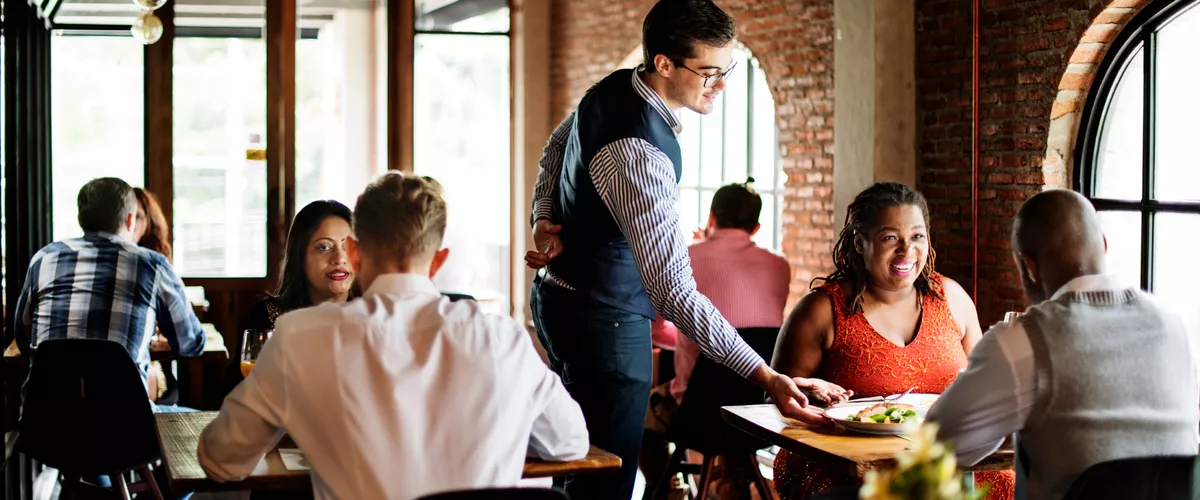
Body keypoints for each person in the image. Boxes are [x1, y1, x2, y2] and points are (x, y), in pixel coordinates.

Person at [525, 1, 848, 497]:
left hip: (559, 299)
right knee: (603, 485)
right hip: (605, 325)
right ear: (664, 64)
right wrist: (766, 375)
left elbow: (556, 146)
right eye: (710, 72)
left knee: (572, 459)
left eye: (727, 70)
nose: (720, 84)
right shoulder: (639, 156)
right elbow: (675, 293)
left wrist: (543, 217)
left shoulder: (612, 87)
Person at [199, 172, 590, 499]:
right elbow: (570, 443)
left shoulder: (299, 339)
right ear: (439, 260)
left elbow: (220, 459)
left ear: (353, 254)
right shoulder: (504, 341)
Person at [928, 189, 1199, 500]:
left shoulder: (1022, 340)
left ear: (1028, 266)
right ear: (1105, 245)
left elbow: (937, 443)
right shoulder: (1175, 324)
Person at [769, 182, 1013, 499]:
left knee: (1004, 480)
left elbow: (983, 388)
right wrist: (811, 393)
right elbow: (775, 402)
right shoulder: (821, 311)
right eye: (889, 238)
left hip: (937, 457)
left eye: (917, 236)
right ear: (860, 243)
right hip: (842, 465)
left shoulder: (951, 297)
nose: (906, 250)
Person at [639, 179, 791, 497]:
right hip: (758, 413)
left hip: (699, 414)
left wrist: (686, 334)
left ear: (711, 217)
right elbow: (755, 327)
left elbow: (656, 330)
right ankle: (731, 483)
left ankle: (666, 488)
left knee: (639, 412)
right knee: (727, 391)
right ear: (757, 226)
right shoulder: (780, 266)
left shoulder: (685, 259)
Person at [13, 177, 206, 401]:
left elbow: (23, 337)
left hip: (43, 427)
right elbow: (191, 343)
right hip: (125, 430)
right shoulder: (152, 265)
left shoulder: (44, 258)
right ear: (131, 219)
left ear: (81, 218)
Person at [222, 200, 357, 393]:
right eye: (324, 247)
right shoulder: (269, 317)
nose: (339, 258)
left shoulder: (373, 317)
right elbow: (235, 394)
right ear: (300, 257)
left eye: (348, 246)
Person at [132, 187, 181, 405]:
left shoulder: (154, 262)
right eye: (128, 218)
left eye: (139, 217)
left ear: (150, 222)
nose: (131, 225)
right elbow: (190, 341)